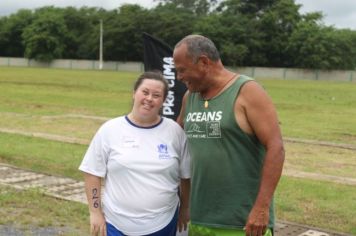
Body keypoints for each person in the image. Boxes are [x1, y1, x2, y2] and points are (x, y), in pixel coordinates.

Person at [173, 35, 285, 236]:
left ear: (204, 62)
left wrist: (261, 208)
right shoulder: (190, 97)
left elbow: (276, 147)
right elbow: (173, 138)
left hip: (241, 223)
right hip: (199, 219)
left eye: (182, 70)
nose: (179, 77)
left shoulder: (247, 91)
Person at [79, 71, 191, 236]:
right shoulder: (110, 129)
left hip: (164, 224)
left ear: (163, 101)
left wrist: (185, 209)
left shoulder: (175, 132)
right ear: (134, 93)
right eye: (145, 92)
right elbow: (92, 172)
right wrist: (95, 212)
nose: (149, 98)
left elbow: (185, 177)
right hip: (116, 225)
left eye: (156, 95)